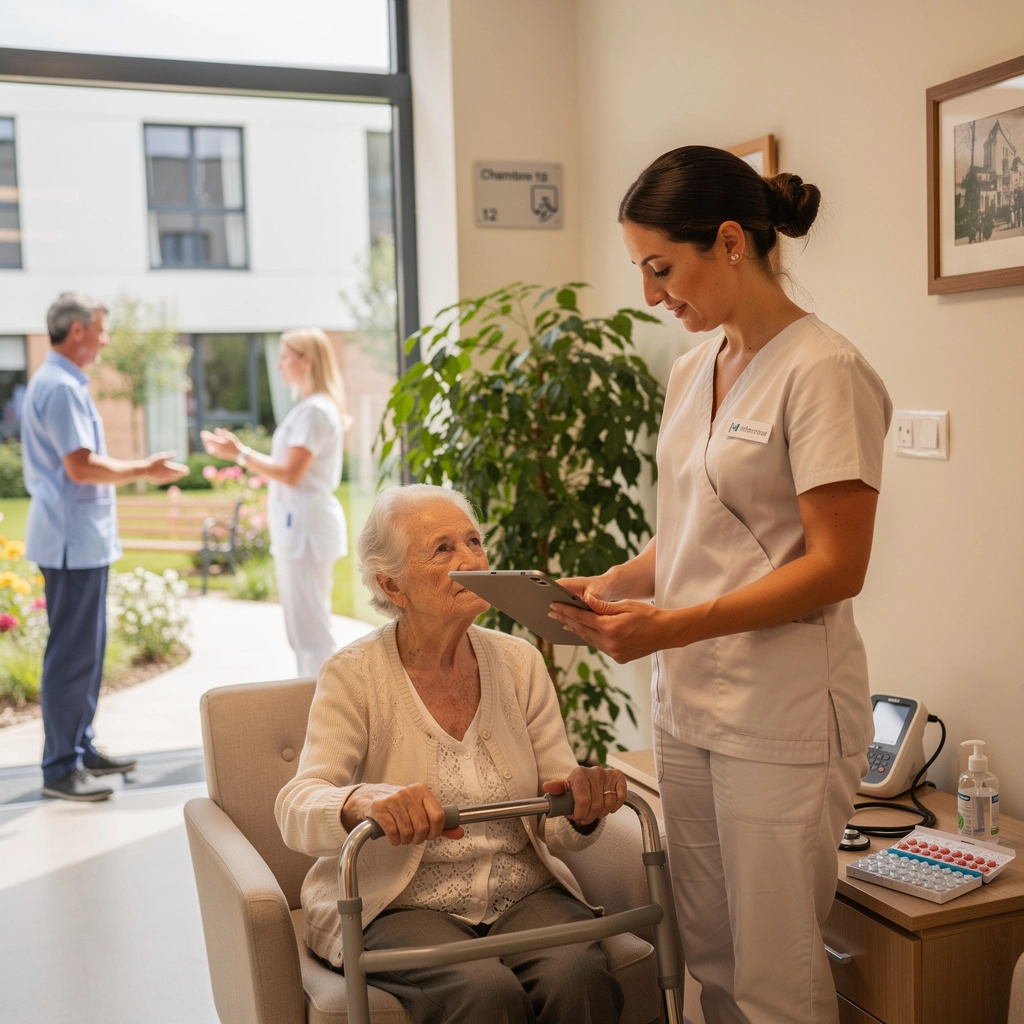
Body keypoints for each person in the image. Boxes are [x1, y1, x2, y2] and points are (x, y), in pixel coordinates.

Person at [549, 146, 893, 1024]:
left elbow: (835, 566)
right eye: (643, 271)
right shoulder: (692, 369)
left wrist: (668, 627)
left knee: (776, 974)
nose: (652, 295)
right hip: (688, 703)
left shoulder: (824, 371)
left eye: (662, 268)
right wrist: (611, 582)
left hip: (778, 711)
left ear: (732, 241)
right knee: (710, 954)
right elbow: (693, 528)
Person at [275, 484, 626, 1024]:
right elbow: (296, 805)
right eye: (443, 549)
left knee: (577, 976)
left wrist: (580, 804)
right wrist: (360, 801)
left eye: (474, 542)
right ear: (393, 585)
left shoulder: (520, 662)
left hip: (524, 891)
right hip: (397, 902)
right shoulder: (353, 675)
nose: (471, 560)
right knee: (485, 993)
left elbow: (557, 819)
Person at [22, 292, 187, 802]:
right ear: (77, 332)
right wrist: (145, 469)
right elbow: (81, 466)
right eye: (100, 330)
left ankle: (80, 747)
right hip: (72, 541)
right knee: (72, 655)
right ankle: (59, 768)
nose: (105, 340)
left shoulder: (62, 382)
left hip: (79, 539)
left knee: (86, 652)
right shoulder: (60, 387)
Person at [201, 328, 348, 678]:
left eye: (284, 357)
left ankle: (324, 717)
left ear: (305, 360)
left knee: (310, 633)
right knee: (304, 632)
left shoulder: (315, 412)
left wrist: (239, 453)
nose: (279, 365)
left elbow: (290, 472)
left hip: (307, 531)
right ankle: (315, 712)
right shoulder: (310, 409)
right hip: (302, 529)